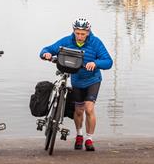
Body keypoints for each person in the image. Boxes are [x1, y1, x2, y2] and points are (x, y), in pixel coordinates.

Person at [39, 17, 112, 151]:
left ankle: (89, 139)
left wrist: (96, 63)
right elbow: (46, 49)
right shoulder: (67, 41)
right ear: (74, 31)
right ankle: (79, 135)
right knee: (78, 111)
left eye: (82, 34)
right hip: (77, 80)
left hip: (93, 80)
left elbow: (108, 61)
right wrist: (46, 54)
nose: (79, 36)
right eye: (77, 33)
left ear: (88, 32)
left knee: (89, 109)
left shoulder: (96, 43)